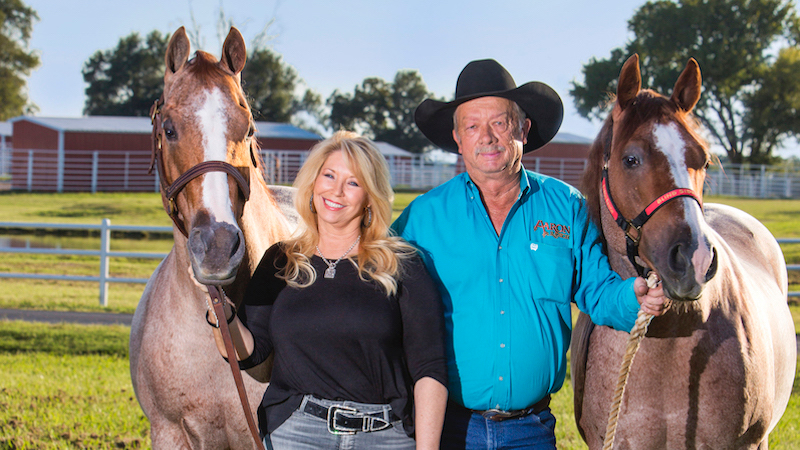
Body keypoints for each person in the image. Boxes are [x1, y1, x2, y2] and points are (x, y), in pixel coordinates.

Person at [391, 59, 670, 449]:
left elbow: (597, 288)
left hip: (531, 429)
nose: (486, 137)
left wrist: (632, 298)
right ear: (458, 139)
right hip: (447, 427)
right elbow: (377, 295)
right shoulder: (422, 218)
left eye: (499, 123)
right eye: (472, 126)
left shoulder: (566, 206)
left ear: (523, 128)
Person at [207, 130, 449, 449]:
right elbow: (252, 353)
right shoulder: (280, 261)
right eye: (329, 175)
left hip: (385, 436)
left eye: (353, 182)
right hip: (296, 432)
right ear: (313, 182)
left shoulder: (402, 265)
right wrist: (220, 316)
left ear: (369, 197)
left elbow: (429, 370)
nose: (336, 190)